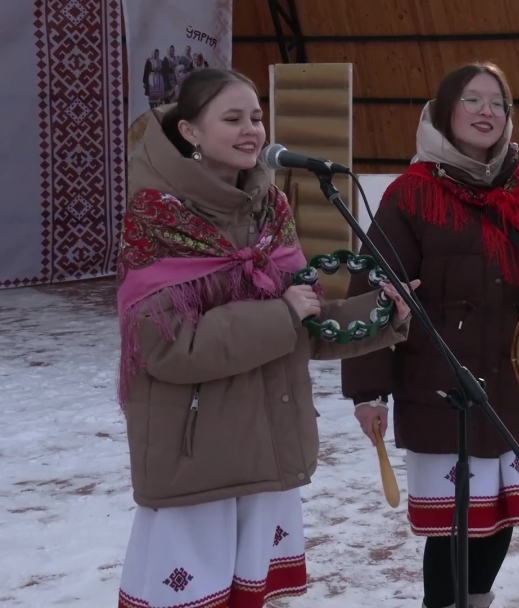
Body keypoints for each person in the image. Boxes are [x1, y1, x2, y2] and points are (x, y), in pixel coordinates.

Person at [115, 68, 414, 608]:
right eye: (232, 118)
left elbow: (306, 328)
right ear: (190, 133)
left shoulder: (271, 211)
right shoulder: (155, 216)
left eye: (256, 116)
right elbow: (169, 347)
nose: (252, 129)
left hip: (267, 444)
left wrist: (382, 311)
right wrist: (281, 315)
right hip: (197, 458)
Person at [341, 62, 519, 608]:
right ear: (446, 111)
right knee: (453, 524)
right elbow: (372, 290)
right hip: (439, 385)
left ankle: (476, 601)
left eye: (497, 103)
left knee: (499, 516)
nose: (486, 112)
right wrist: (367, 392)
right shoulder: (411, 194)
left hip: (516, 381)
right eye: (472, 100)